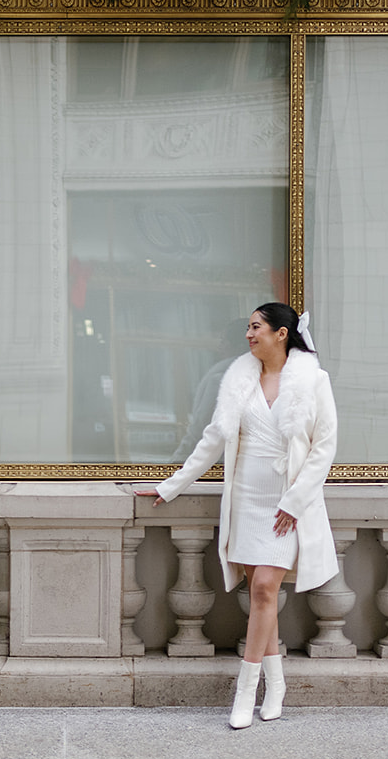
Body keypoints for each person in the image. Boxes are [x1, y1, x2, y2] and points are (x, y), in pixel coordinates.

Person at [136, 302, 338, 729]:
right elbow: (213, 438)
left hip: (285, 504)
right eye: (247, 327)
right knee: (261, 596)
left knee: (265, 587)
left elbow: (324, 447)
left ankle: (245, 692)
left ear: (281, 333)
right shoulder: (239, 380)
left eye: (256, 327)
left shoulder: (312, 381)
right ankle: (277, 683)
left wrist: (295, 501)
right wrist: (171, 485)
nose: (248, 334)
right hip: (245, 497)